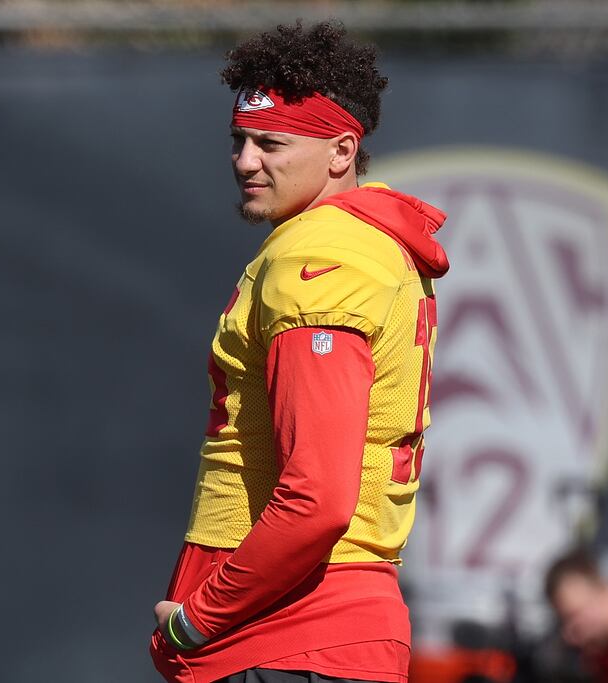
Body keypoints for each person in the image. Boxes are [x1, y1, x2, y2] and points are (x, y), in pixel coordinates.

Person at [148, 20, 450, 683]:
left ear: (342, 150)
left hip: (288, 639)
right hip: (319, 636)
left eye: (271, 143)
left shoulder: (322, 253)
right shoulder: (362, 243)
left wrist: (197, 618)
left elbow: (318, 498)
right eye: (240, 140)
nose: (246, 160)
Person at [546, 547, 608, 683]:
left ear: (603, 591)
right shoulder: (602, 650)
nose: (569, 636)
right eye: (563, 622)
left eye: (574, 616)